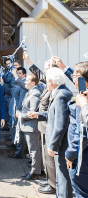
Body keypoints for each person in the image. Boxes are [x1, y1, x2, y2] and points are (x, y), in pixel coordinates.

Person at [29, 67, 73, 198]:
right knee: (60, 177)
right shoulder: (59, 92)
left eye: (47, 81)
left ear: (51, 81)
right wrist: (38, 114)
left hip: (61, 144)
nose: (46, 83)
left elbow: (60, 123)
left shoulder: (61, 95)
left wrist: (52, 145)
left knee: (63, 177)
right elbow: (53, 114)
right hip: (58, 142)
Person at [55, 60, 88, 197]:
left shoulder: (83, 101)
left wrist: (70, 154)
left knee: (81, 192)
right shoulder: (83, 91)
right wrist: (63, 67)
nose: (72, 79)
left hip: (81, 157)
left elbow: (82, 133)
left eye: (74, 76)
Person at [15, 74, 41, 180]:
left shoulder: (35, 93)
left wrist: (20, 115)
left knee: (34, 150)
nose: (25, 82)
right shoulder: (31, 92)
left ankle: (34, 173)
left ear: (33, 82)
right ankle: (37, 170)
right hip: (28, 127)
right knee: (32, 150)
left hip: (32, 127)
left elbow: (33, 113)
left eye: (27, 81)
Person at [7, 67, 27, 148]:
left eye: (19, 73)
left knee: (17, 128)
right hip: (13, 106)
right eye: (17, 73)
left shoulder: (24, 83)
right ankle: (15, 144)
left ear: (24, 74)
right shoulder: (18, 82)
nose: (18, 75)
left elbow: (21, 98)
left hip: (17, 108)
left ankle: (19, 149)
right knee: (13, 126)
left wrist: (18, 110)